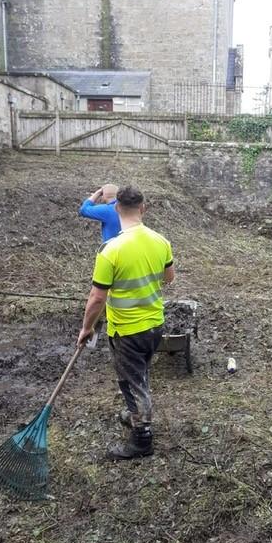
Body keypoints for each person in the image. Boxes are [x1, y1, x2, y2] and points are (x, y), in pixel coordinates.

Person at [77, 185, 175, 460]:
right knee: (138, 374)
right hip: (155, 324)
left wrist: (87, 329)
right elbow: (168, 278)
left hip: (128, 330)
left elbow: (97, 298)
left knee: (134, 383)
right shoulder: (161, 241)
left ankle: (142, 439)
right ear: (143, 208)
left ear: (116, 208)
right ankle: (134, 412)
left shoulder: (111, 249)